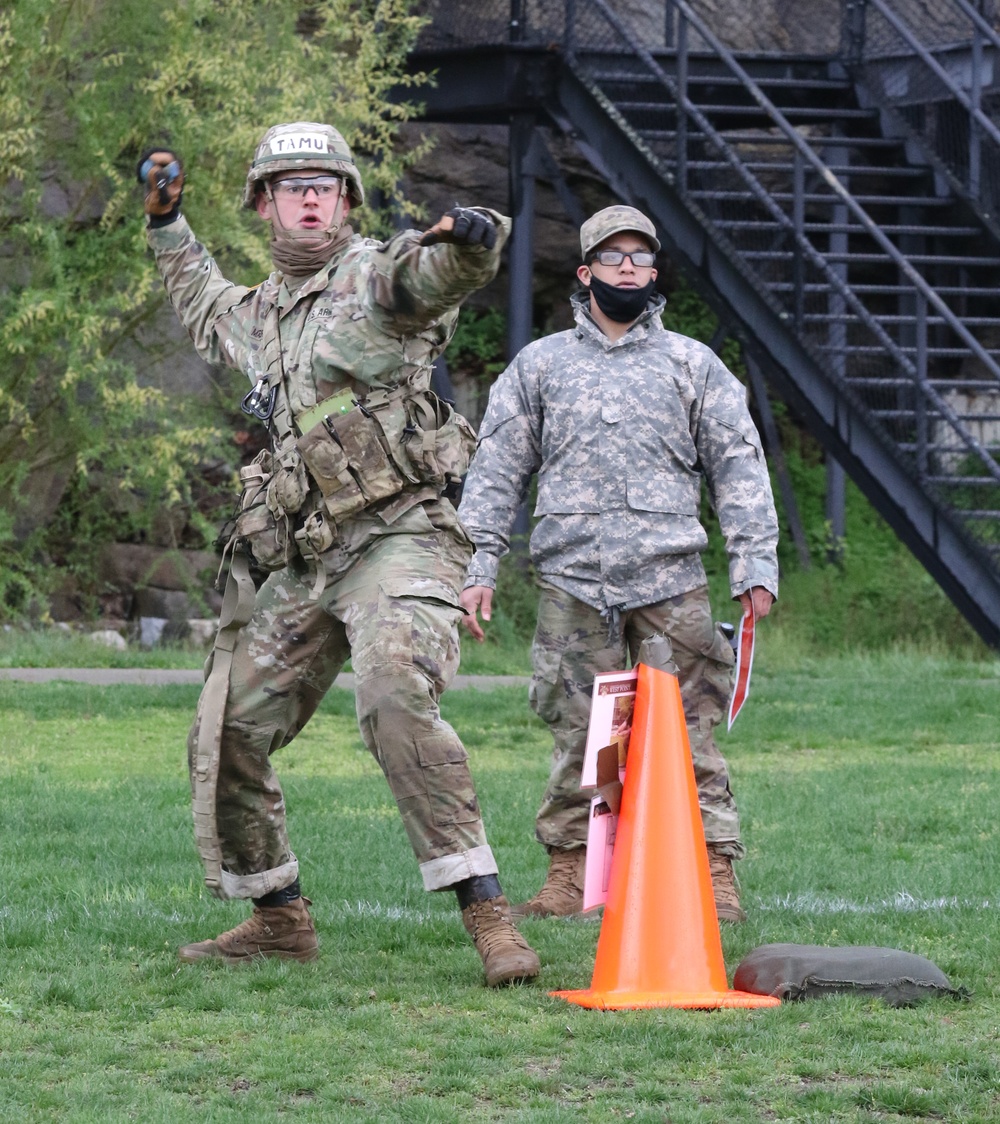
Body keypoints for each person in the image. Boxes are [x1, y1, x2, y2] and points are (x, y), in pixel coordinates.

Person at [138, 122, 539, 986]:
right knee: (228, 730)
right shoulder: (254, 316)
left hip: (400, 536)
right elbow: (195, 292)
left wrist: (471, 238)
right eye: (291, 185)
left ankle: (492, 920)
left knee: (394, 695)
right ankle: (278, 917)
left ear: (348, 201)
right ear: (264, 205)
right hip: (307, 560)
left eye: (326, 183)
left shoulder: (375, 277)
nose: (310, 196)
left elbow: (438, 270)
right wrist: (165, 219)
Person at [458, 205, 779, 923]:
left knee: (691, 731)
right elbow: (497, 468)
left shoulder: (692, 364)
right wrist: (478, 563)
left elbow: (739, 465)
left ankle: (716, 870)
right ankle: (573, 873)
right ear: (586, 272)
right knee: (581, 733)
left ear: (654, 273)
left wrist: (755, 564)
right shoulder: (540, 366)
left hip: (671, 582)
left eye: (640, 256)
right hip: (572, 582)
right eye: (614, 256)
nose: (628, 267)